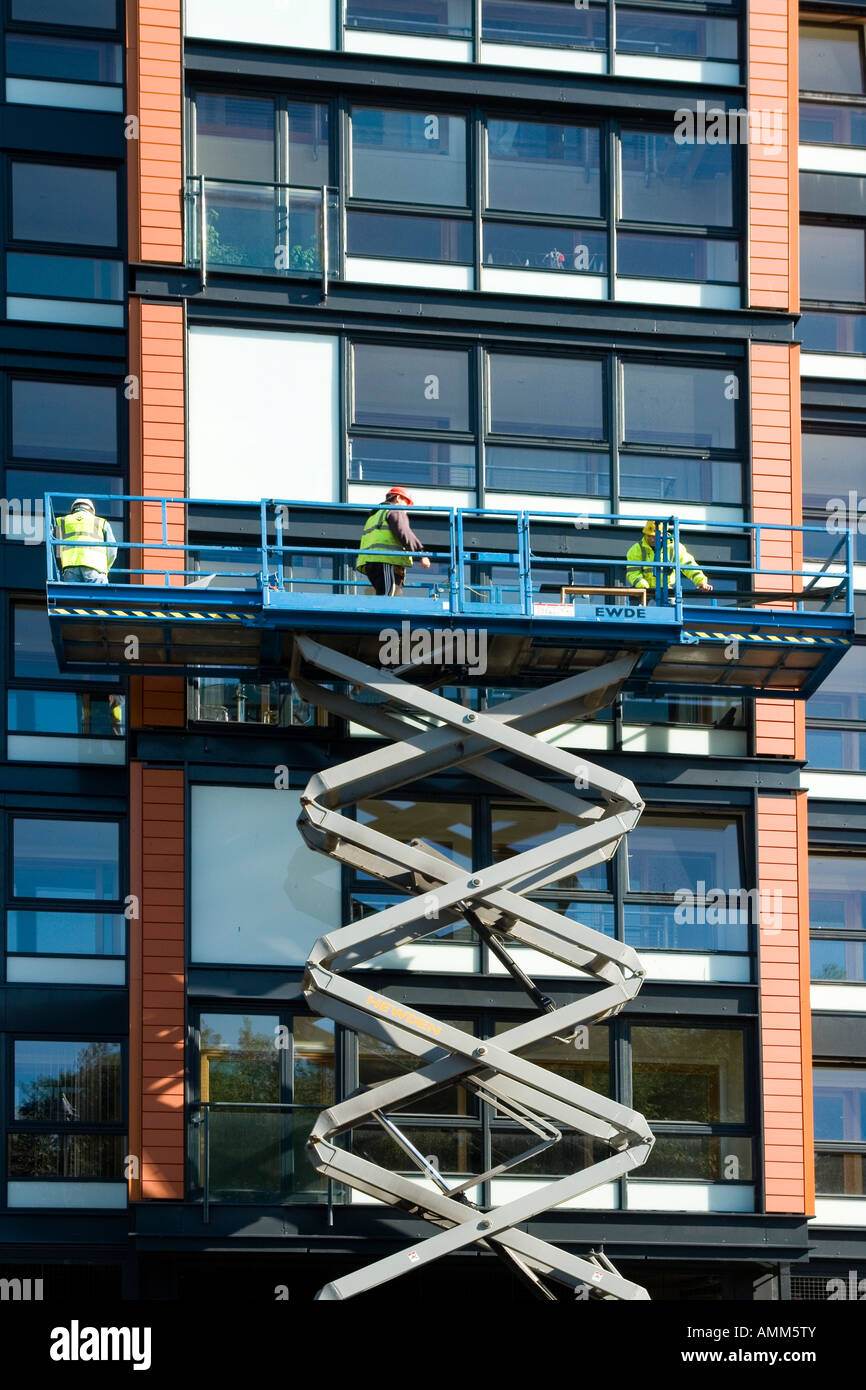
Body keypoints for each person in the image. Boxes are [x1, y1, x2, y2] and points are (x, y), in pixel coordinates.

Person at [355, 486, 431, 597]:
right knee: (389, 598)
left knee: (387, 595)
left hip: (371, 563)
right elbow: (404, 533)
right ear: (398, 498)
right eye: (406, 503)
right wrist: (421, 553)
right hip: (386, 561)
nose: (406, 509)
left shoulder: (375, 515)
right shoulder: (395, 510)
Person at [626, 519, 713, 594]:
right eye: (649, 536)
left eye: (656, 536)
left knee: (672, 608)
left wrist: (701, 582)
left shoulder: (675, 547)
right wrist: (644, 588)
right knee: (640, 609)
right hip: (644, 590)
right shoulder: (636, 549)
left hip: (667, 590)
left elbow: (689, 565)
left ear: (664, 535)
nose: (652, 539)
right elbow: (633, 572)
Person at [55, 498, 117, 584]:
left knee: (73, 596)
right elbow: (112, 550)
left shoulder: (61, 521)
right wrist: (106, 568)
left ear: (73, 509)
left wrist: (62, 567)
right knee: (99, 595)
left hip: (70, 567)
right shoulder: (100, 522)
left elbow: (57, 551)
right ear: (91, 509)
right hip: (95, 567)